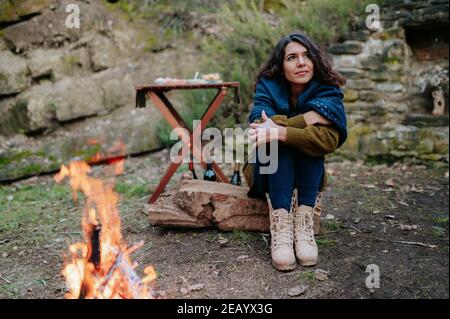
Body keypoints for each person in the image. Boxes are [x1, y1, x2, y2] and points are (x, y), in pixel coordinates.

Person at [243, 32, 347, 271]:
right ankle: (280, 225)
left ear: (314, 60)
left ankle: (303, 223)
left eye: (307, 55)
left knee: (310, 143)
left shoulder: (327, 91)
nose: (301, 62)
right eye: (292, 57)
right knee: (282, 143)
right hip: (265, 169)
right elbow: (260, 125)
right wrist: (309, 118)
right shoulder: (266, 88)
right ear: (281, 67)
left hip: (307, 172)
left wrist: (281, 130)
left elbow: (328, 140)